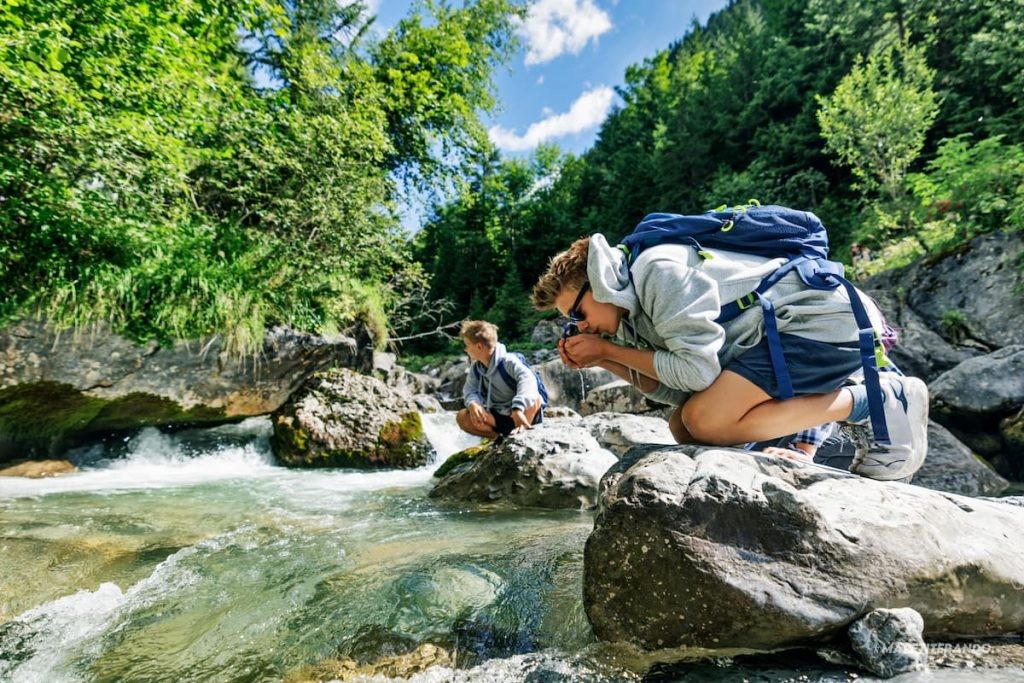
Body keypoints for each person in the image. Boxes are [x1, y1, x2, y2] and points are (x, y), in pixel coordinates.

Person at [531, 234, 929, 480]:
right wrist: (605, 359)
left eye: (576, 315)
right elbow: (680, 394)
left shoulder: (656, 272)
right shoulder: (630, 313)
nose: (579, 327)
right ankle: (781, 450)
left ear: (599, 283)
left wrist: (609, 349)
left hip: (821, 323)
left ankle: (879, 400)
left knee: (708, 420)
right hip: (782, 336)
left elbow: (697, 373)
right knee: (685, 426)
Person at [456, 320, 544, 439]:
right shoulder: (476, 368)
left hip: (522, 414)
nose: (465, 349)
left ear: (479, 346)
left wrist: (518, 407)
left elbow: (528, 381)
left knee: (535, 399)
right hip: (498, 417)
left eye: (467, 345)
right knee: (462, 417)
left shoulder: (509, 361)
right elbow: (470, 390)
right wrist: (473, 403)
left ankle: (522, 435)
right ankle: (499, 439)